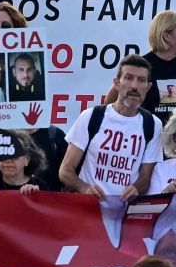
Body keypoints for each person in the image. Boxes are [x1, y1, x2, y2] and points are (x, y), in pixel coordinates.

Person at [60, 56, 158, 200]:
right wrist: (85, 188)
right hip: (89, 211)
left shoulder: (153, 124)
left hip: (124, 214)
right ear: (117, 83)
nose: (134, 86)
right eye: (129, 78)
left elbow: (145, 178)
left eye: (141, 80)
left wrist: (136, 188)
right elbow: (65, 171)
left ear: (148, 87)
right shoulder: (91, 116)